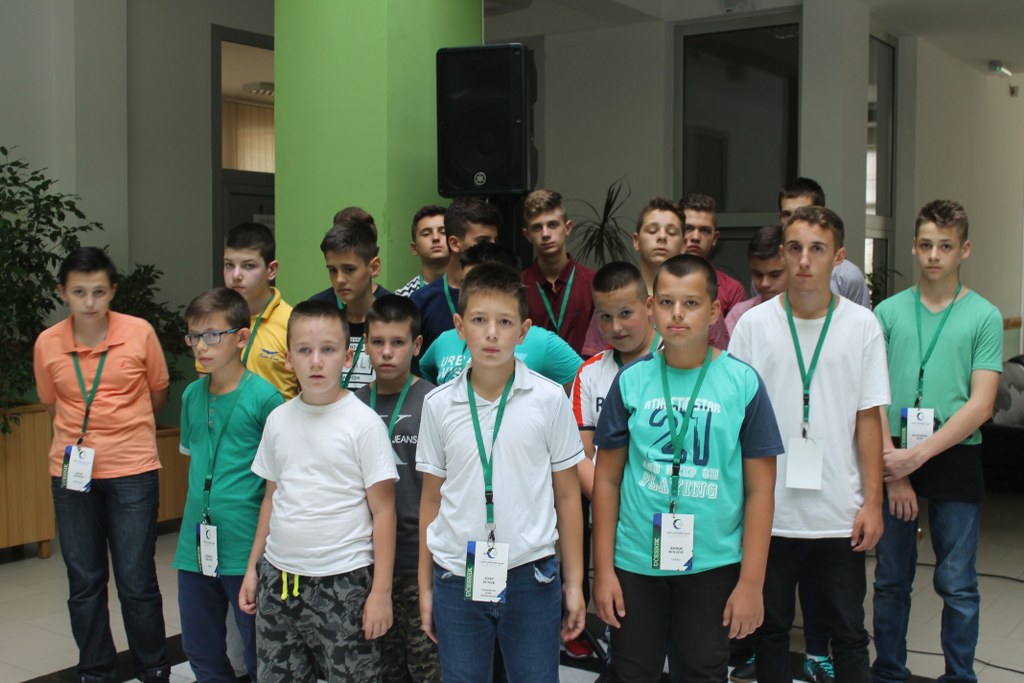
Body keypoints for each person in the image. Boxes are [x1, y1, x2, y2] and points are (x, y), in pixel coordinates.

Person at [591, 254, 781, 683]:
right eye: (667, 303)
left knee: (702, 671)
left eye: (691, 303)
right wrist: (602, 571)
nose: (677, 314)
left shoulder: (743, 383)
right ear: (652, 307)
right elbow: (607, 480)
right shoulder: (631, 381)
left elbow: (760, 491)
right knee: (630, 671)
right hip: (636, 561)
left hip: (713, 564)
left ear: (713, 311)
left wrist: (751, 583)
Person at [729, 206, 890, 683]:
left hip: (839, 513)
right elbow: (736, 422)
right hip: (771, 512)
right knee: (770, 630)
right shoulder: (753, 326)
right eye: (795, 248)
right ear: (782, 252)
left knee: (849, 632)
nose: (804, 260)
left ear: (838, 258)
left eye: (817, 249)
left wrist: (873, 503)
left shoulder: (862, 325)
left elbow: (868, 419)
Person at [416, 263, 587, 682]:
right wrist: (425, 588)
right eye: (479, 320)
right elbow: (431, 499)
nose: (491, 333)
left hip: (532, 574)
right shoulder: (438, 405)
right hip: (456, 573)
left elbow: (568, 496)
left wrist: (575, 583)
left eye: (505, 322)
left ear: (523, 331)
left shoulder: (549, 399)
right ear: (459, 326)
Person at [871, 200, 1002, 683]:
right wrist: (895, 469)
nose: (933, 255)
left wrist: (916, 457)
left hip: (954, 452)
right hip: (891, 451)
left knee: (958, 583)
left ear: (964, 250)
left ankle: (959, 676)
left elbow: (981, 405)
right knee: (890, 579)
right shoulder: (886, 313)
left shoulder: (984, 316)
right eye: (926, 245)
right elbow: (871, 396)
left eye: (945, 246)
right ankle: (889, 671)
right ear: (913, 246)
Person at [239, 300, 399, 681]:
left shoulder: (363, 424)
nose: (315, 361)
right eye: (304, 350)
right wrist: (252, 568)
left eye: (327, 350)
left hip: (343, 581)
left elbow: (384, 512)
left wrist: (380, 592)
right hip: (279, 579)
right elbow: (271, 498)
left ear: (347, 357)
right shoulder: (278, 420)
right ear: (287, 357)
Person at [33, 246, 171, 683]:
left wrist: (121, 431)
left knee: (136, 580)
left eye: (98, 292)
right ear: (63, 293)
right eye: (79, 292)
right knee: (84, 581)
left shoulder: (139, 332)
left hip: (132, 471)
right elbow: (52, 403)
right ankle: (96, 671)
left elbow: (157, 393)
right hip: (72, 475)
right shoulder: (47, 343)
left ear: (112, 291)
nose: (89, 302)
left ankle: (153, 668)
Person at [175, 288, 284, 682]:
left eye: (211, 335)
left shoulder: (267, 399)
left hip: (245, 546)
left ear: (241, 337)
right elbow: (195, 460)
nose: (200, 346)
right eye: (193, 336)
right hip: (195, 546)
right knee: (200, 648)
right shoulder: (191, 395)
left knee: (258, 649)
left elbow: (279, 483)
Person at [353, 295, 442, 683]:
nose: (386, 352)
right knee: (382, 669)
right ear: (365, 344)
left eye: (398, 342)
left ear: (417, 345)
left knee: (428, 668)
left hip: (423, 559)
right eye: (377, 342)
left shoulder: (437, 403)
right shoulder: (353, 406)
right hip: (365, 561)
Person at [419, 243, 582, 389]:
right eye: (464, 283)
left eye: (479, 282)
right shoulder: (444, 340)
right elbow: (426, 372)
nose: (468, 291)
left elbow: (586, 383)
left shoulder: (542, 342)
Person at [582, 197, 685, 357]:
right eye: (652, 231)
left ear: (684, 245)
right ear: (636, 241)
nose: (662, 237)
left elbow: (715, 361)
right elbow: (595, 361)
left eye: (671, 232)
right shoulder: (612, 298)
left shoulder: (699, 300)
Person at [212, 222, 298, 398]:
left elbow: (309, 396)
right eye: (229, 265)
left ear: (271, 270)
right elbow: (206, 389)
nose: (236, 275)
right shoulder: (213, 320)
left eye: (248, 266)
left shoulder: (293, 324)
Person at [308, 217, 392, 390]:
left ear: (374, 267)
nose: (339, 279)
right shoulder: (321, 320)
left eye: (349, 269)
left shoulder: (394, 317)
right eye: (332, 270)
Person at [411, 197, 501, 353]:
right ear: (454, 243)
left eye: (495, 240)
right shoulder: (421, 302)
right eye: (483, 241)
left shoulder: (505, 295)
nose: (492, 247)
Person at [520, 189, 595, 355]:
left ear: (567, 228)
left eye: (553, 225)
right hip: (530, 372)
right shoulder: (517, 287)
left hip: (583, 371)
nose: (545, 234)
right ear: (527, 235)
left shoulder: (592, 284)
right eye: (537, 227)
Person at [779, 177, 872, 309]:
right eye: (787, 214)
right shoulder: (767, 271)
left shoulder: (848, 276)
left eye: (804, 213)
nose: (795, 221)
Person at [678, 193, 747, 349]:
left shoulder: (732, 289)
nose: (695, 237)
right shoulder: (658, 281)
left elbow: (735, 348)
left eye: (704, 230)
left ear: (715, 238)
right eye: (688, 228)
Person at [724, 225, 787, 339]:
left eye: (775, 275)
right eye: (758, 274)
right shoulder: (739, 315)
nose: (764, 283)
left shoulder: (811, 315)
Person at [394, 205, 449, 298]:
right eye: (426, 234)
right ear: (415, 248)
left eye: (443, 232)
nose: (435, 238)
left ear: (455, 242)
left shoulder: (470, 289)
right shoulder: (402, 298)